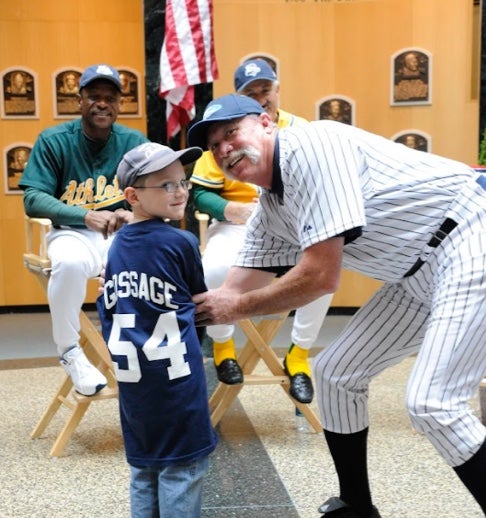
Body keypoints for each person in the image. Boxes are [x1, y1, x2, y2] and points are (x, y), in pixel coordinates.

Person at [186, 94, 486, 517]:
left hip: (471, 232)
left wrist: (232, 310)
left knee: (434, 404)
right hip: (415, 272)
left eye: (231, 133)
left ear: (267, 123)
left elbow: (320, 277)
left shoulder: (312, 146)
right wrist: (168, 304)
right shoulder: (270, 210)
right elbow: (233, 291)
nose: (224, 149)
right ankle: (356, 507)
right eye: (214, 146)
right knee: (336, 374)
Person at [190, 58, 333, 403]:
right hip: (238, 224)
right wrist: (228, 208)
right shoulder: (224, 131)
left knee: (326, 271)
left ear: (276, 90)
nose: (260, 97)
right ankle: (224, 347)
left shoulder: (300, 128)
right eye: (250, 92)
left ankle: (298, 355)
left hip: (292, 224)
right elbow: (198, 193)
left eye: (265, 90)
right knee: (213, 268)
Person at [96, 142, 217, 517]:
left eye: (183, 182)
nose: (180, 192)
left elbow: (109, 311)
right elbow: (202, 307)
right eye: (166, 185)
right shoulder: (182, 242)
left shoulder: (116, 247)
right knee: (181, 472)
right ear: (132, 195)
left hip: (136, 392)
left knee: (144, 472)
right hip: (178, 389)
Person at [19, 64, 148, 397]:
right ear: (80, 101)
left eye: (110, 98)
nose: (102, 104)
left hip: (121, 234)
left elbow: (156, 189)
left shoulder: (134, 142)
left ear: (120, 104)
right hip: (71, 232)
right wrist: (85, 215)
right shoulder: (54, 140)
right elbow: (33, 199)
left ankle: (137, 347)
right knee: (71, 264)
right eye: (94, 96)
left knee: (151, 261)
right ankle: (70, 350)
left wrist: (134, 212)